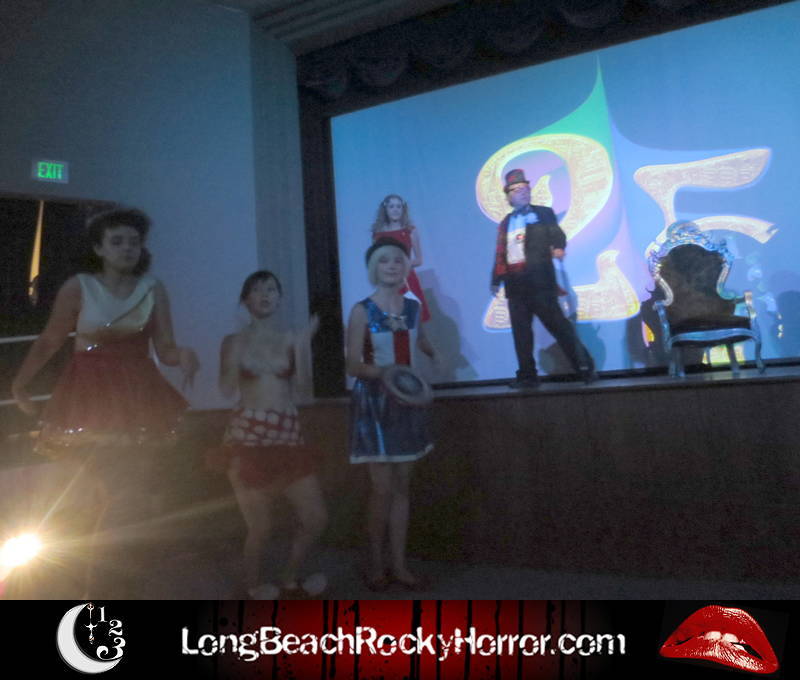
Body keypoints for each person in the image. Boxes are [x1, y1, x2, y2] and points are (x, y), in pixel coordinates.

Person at [11, 207, 199, 596]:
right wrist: (20, 383)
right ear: (99, 248)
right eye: (117, 241)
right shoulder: (79, 286)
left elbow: (165, 348)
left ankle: (110, 584)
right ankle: (98, 587)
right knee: (112, 495)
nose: (127, 248)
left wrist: (184, 356)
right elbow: (50, 340)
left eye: (134, 241)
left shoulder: (153, 288)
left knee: (129, 495)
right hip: (91, 398)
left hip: (138, 397)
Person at [214, 270, 327, 599]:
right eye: (257, 290)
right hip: (247, 437)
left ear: (279, 298)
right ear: (245, 299)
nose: (265, 295)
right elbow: (225, 389)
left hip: (287, 434)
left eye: (272, 289)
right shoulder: (233, 340)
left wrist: (302, 346)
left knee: (315, 518)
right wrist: (237, 356)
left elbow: (303, 390)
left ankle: (290, 577)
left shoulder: (291, 338)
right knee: (260, 526)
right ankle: (252, 587)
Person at [346, 237, 436, 591]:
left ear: (405, 267)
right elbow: (353, 364)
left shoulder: (413, 307)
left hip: (408, 404)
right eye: (384, 260)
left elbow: (419, 341)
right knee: (381, 490)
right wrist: (386, 374)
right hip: (376, 404)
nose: (392, 266)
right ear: (374, 267)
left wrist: (434, 354)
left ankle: (399, 565)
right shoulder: (361, 310)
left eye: (398, 260)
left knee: (402, 488)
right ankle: (376, 563)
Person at [490, 169, 595, 388]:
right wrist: (496, 279)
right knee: (521, 334)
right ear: (508, 196)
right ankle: (527, 376)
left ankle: (585, 367)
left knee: (559, 327)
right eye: (516, 189)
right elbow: (501, 252)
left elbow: (557, 233)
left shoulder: (543, 213)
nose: (523, 192)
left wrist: (558, 246)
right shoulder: (506, 222)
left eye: (525, 188)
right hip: (515, 284)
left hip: (540, 281)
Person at [371, 194, 431, 322]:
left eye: (399, 206)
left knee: (413, 322)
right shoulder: (377, 233)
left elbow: (419, 260)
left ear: (403, 209)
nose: (395, 210)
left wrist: (400, 265)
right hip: (387, 282)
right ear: (385, 209)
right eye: (392, 206)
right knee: (390, 323)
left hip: (407, 280)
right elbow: (375, 261)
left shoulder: (410, 231)